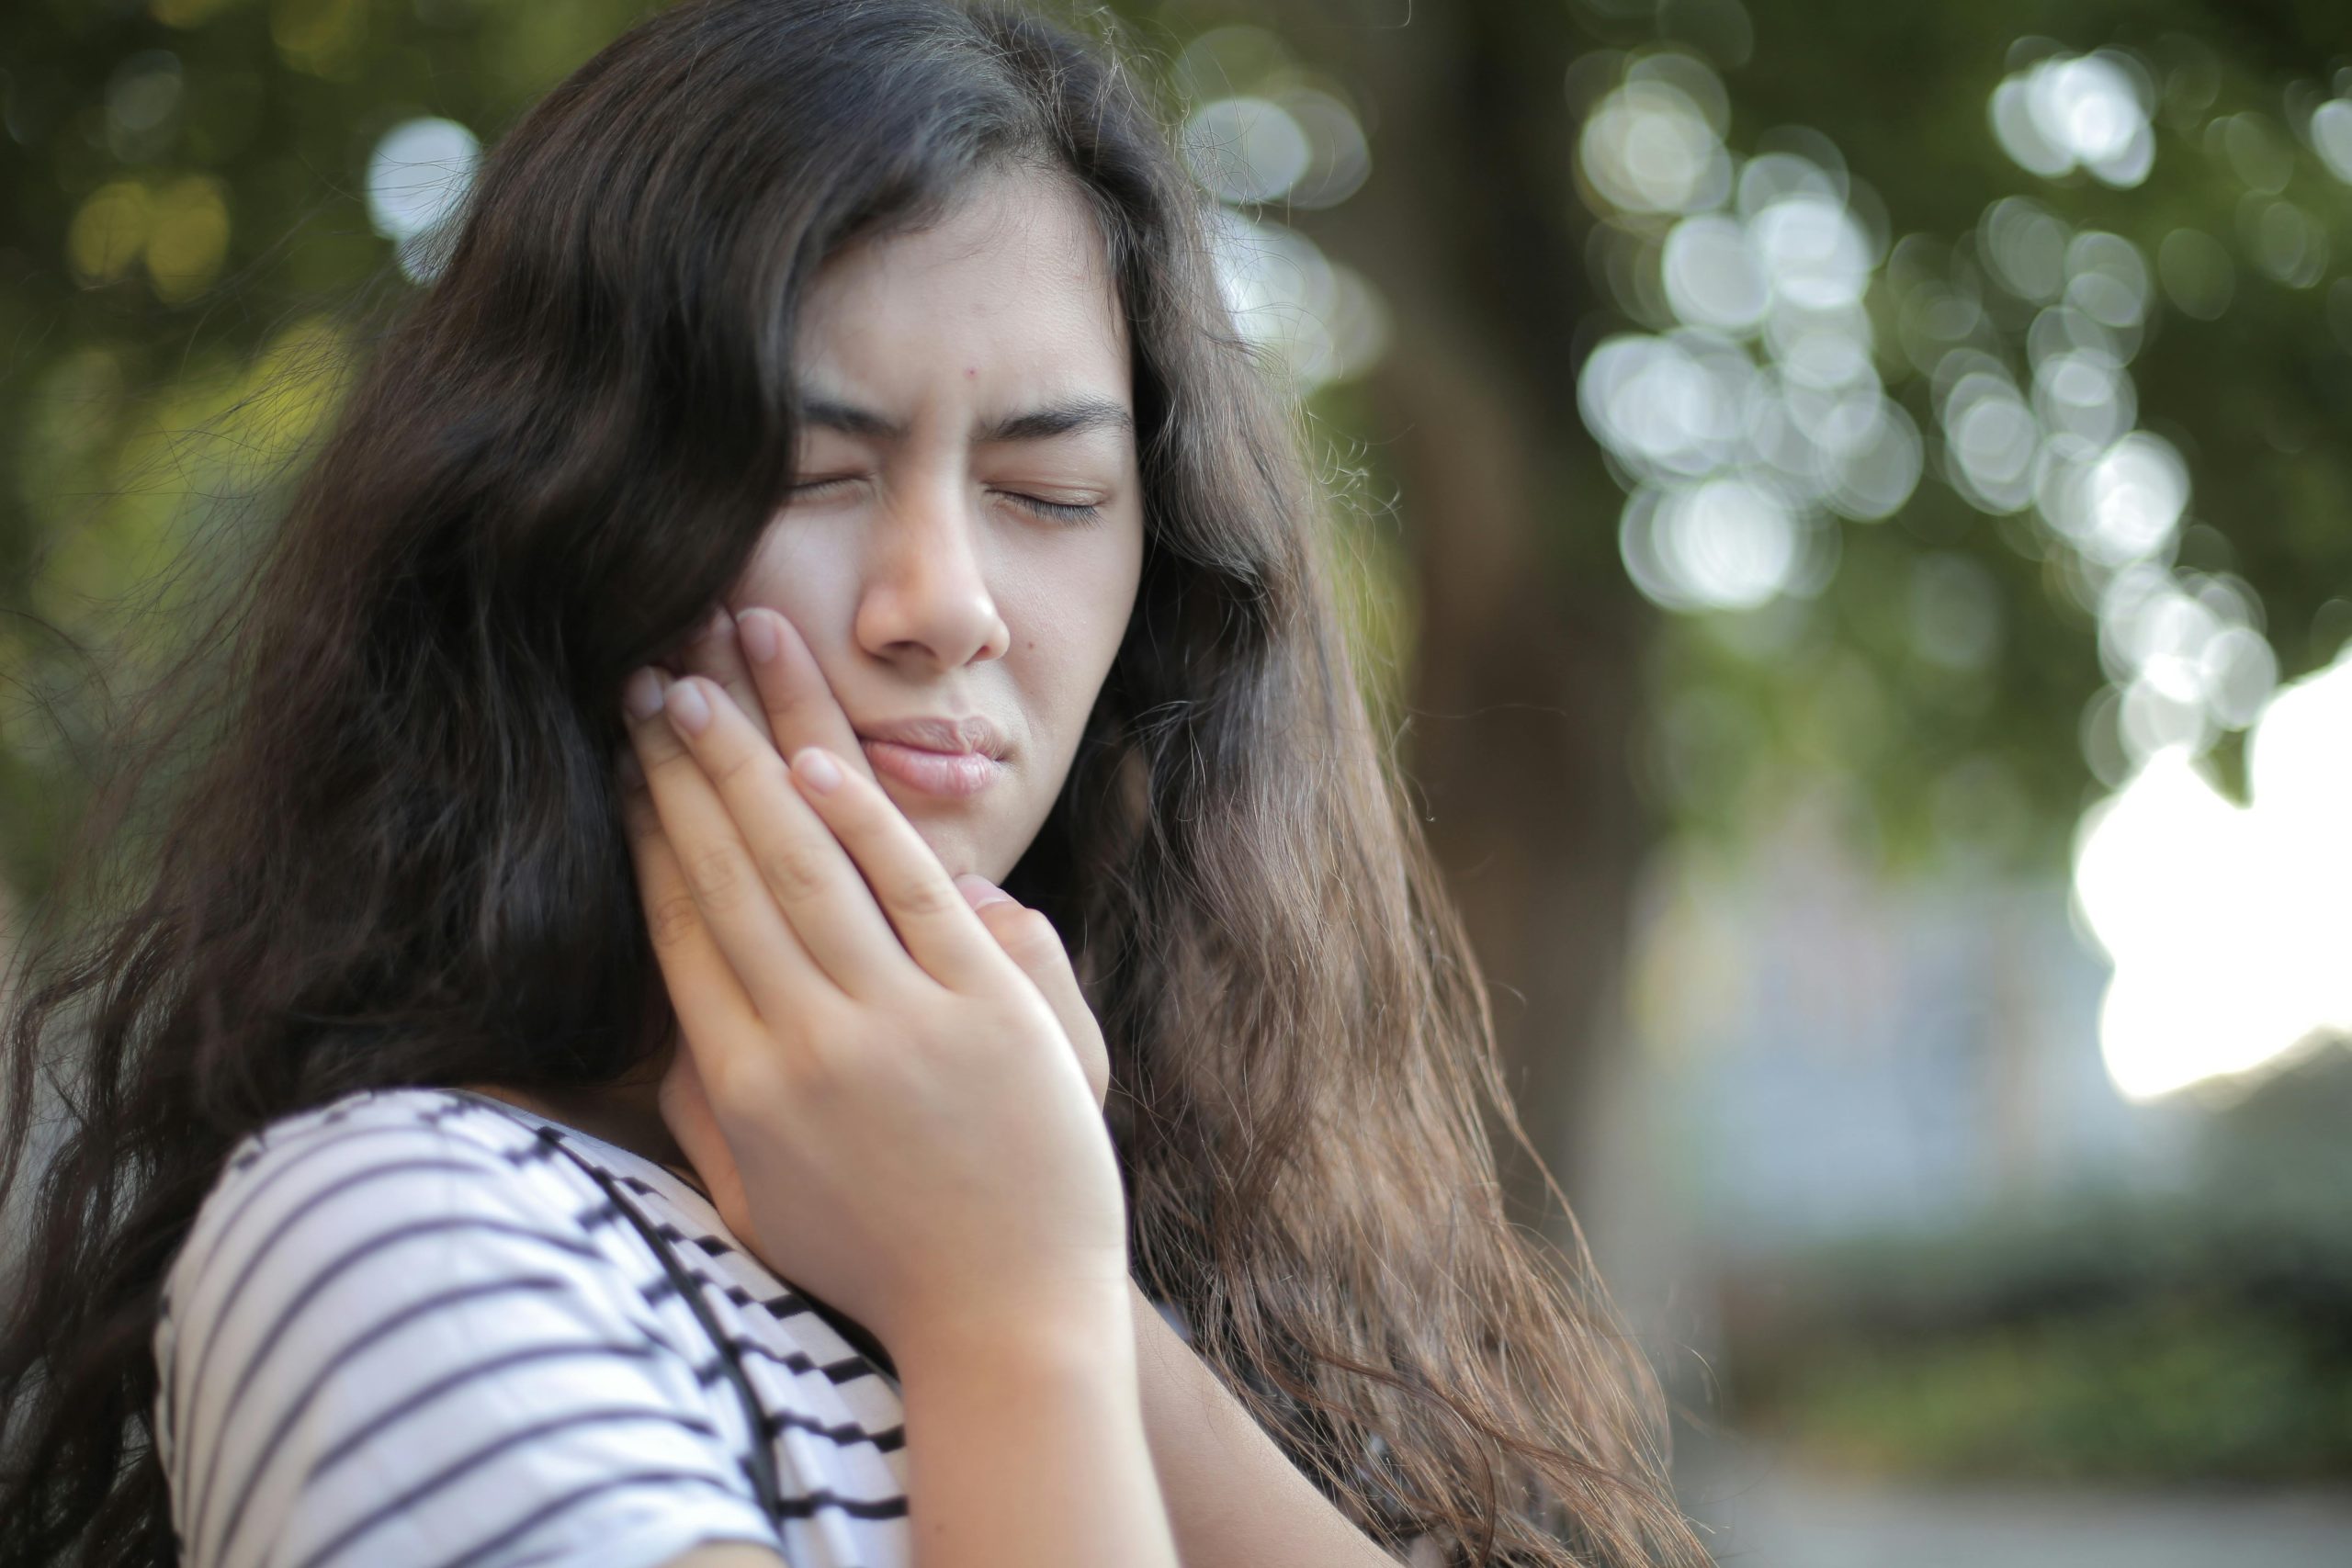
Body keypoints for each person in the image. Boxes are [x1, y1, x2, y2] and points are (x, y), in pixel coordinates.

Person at [0, 2, 1712, 1564]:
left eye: (1049, 495)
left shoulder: (1154, 1256)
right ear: (550, 528)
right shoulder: (402, 1244)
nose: (945, 604)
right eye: (814, 468)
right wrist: (997, 1318)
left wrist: (1066, 1278)